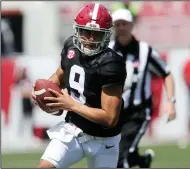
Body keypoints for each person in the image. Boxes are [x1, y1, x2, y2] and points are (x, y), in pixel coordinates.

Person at [31, 3, 127, 168]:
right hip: (73, 130)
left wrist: (72, 105)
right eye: (86, 32)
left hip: (105, 140)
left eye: (96, 34)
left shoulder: (111, 64)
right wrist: (44, 91)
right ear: (77, 30)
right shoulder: (71, 47)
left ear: (106, 35)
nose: (90, 39)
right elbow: (59, 76)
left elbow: (110, 118)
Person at [109, 9, 176, 168]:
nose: (121, 27)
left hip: (138, 112)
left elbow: (166, 74)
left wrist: (171, 102)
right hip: (114, 113)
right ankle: (142, 161)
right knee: (114, 152)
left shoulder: (145, 51)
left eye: (124, 24)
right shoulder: (108, 50)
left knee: (119, 156)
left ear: (132, 25)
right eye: (117, 24)